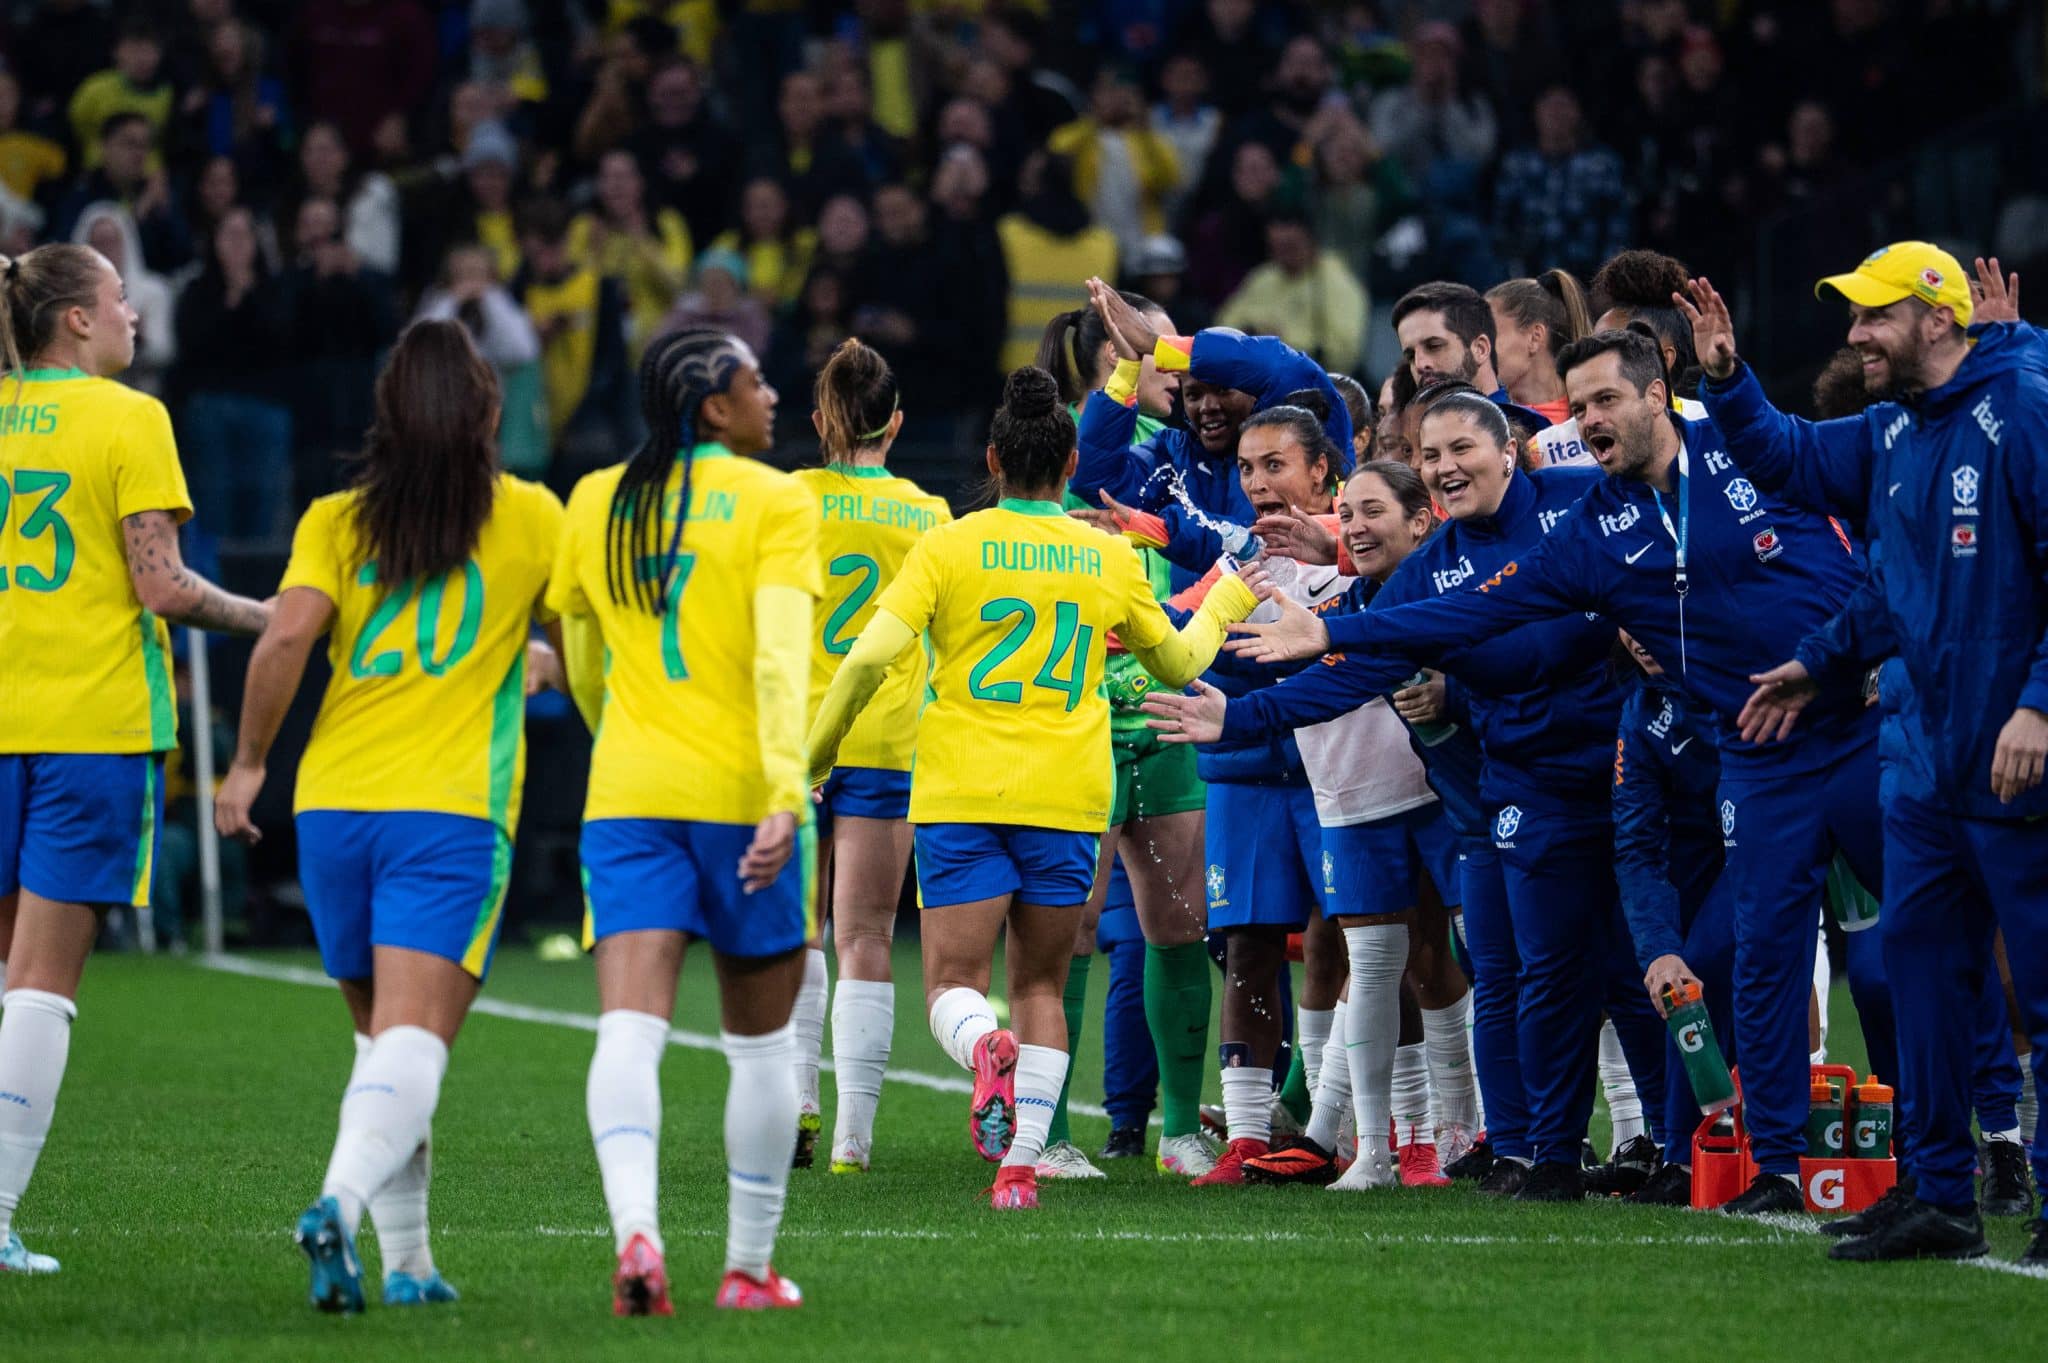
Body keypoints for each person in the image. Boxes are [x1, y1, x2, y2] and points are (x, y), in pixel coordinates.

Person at [1225, 330, 1896, 1215]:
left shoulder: (1696, 468)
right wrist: (1285, 674)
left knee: (1889, 949)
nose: (1590, 419)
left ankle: (1963, 1141)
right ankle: (1645, 1155)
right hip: (1616, 777)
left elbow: (1863, 542)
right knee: (1626, 969)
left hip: (1784, 740)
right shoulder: (1549, 539)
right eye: (1579, 408)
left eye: (1605, 399)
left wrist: (1851, 650)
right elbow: (1454, 621)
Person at [1158, 398, 1670, 1202]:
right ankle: (1533, 1150)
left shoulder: (1580, 500)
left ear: (1510, 451)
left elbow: (1657, 558)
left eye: (1461, 446)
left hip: (1621, 771)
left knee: (1630, 964)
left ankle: (1664, 1141)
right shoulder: (1431, 573)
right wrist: (1240, 718)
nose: (1446, 465)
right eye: (1432, 454)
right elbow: (1357, 670)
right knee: (1518, 969)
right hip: (1516, 790)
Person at [805, 366, 1265, 1212]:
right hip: (1068, 794)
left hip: (963, 791)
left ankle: (986, 1049)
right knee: (1042, 987)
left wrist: (816, 755)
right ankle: (1018, 1168)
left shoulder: (949, 544)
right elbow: (1177, 662)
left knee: (953, 984)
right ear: (1070, 465)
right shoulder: (1109, 554)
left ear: (991, 458)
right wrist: (1230, 595)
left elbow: (868, 658)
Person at [1686, 249, 2047, 1265]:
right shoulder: (1892, 429)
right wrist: (1727, 381)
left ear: (1936, 318)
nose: (1854, 337)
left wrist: (2039, 704)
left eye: (1873, 316)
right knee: (1922, 983)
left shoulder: (2020, 410)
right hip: (1923, 765)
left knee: (2039, 990)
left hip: (2016, 757)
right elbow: (1796, 468)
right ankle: (1938, 1195)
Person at [211, 319, 564, 1312]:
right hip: (447, 809)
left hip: (333, 806)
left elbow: (285, 640)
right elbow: (582, 638)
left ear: (388, 414)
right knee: (415, 1042)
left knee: (384, 1045)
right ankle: (336, 1203)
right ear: (488, 409)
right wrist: (548, 667)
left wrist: (247, 764)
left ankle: (408, 1262)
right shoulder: (532, 515)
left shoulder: (337, 517)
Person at [0, 241, 270, 1276]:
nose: (134, 314)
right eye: (119, 298)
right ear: (76, 319)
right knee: (41, 985)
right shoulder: (129, 417)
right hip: (90, 724)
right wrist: (271, 618)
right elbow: (161, 585)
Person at [547, 328, 819, 1312]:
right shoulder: (776, 499)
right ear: (714, 406)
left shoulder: (595, 498)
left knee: (628, 1026)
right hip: (743, 796)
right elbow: (780, 663)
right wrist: (784, 788)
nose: (772, 394)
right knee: (760, 1047)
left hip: (627, 792)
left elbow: (579, 653)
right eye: (756, 380)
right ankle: (746, 1269)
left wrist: (617, 732)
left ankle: (637, 1233)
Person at [1040, 293, 1220, 1179]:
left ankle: (1178, 1130)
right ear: (1117, 356)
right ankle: (1043, 1131)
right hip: (1081, 709)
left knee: (1178, 918)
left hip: (1164, 701)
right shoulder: (1072, 450)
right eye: (1157, 345)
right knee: (1067, 927)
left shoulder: (1183, 452)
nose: (1175, 360)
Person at [790, 339, 950, 1175]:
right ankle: (853, 1137)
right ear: (896, 423)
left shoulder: (788, 500)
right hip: (889, 739)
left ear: (820, 422)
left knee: (795, 930)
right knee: (865, 935)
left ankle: (797, 1100)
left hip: (794, 735)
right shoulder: (931, 514)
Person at [1487, 270, 1593, 460]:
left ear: (1535, 337)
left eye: (1490, 335)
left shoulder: (1595, 414)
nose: (1479, 349)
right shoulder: (1485, 421)